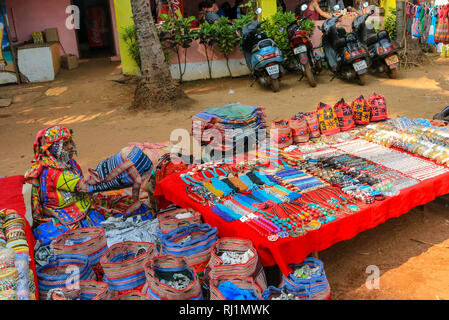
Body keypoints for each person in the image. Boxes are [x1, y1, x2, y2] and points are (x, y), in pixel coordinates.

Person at [24, 126, 153, 245]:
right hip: (68, 215)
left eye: (70, 142)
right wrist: (123, 169)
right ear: (52, 148)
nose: (70, 147)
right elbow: (88, 186)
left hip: (82, 204)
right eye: (64, 144)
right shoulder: (52, 172)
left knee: (126, 205)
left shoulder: (67, 163)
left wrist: (123, 172)